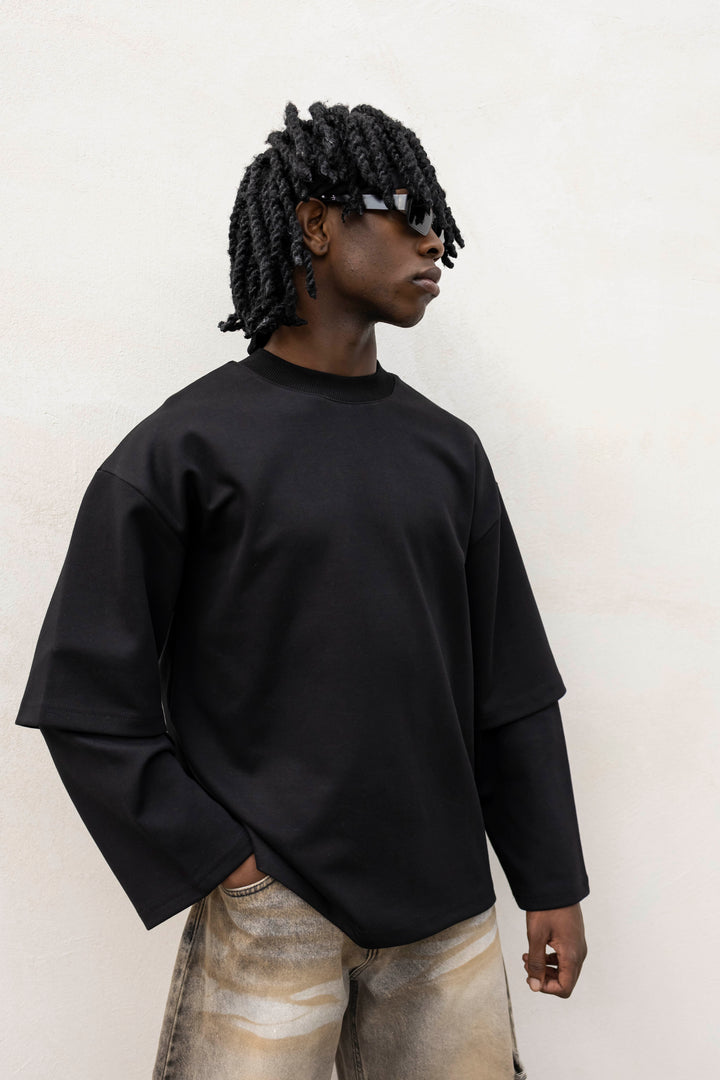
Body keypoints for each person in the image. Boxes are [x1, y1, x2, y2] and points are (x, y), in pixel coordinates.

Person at [15, 101, 589, 1079]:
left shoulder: (448, 453)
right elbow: (83, 698)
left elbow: (512, 685)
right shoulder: (184, 450)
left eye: (438, 221)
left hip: (445, 914)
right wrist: (227, 867)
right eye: (406, 213)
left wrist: (551, 881)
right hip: (273, 910)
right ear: (316, 225)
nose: (433, 240)